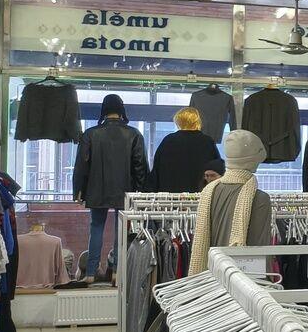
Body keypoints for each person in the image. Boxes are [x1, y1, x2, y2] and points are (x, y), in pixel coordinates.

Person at [72, 93, 149, 281]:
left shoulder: (90, 134)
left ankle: (91, 273)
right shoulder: (134, 134)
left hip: (96, 190)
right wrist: (141, 191)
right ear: (121, 111)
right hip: (125, 190)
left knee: (96, 228)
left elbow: (81, 165)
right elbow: (140, 166)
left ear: (104, 111)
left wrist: (78, 191)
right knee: (120, 230)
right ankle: (116, 271)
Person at [189, 129, 274, 274]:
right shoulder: (260, 199)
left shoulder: (208, 192)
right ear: (253, 159)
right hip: (244, 281)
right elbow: (259, 251)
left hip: (210, 278)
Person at [152, 107, 223, 193]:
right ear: (197, 121)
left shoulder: (168, 141)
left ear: (178, 121)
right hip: (201, 194)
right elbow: (217, 169)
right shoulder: (207, 142)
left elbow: (156, 171)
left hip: (172, 195)